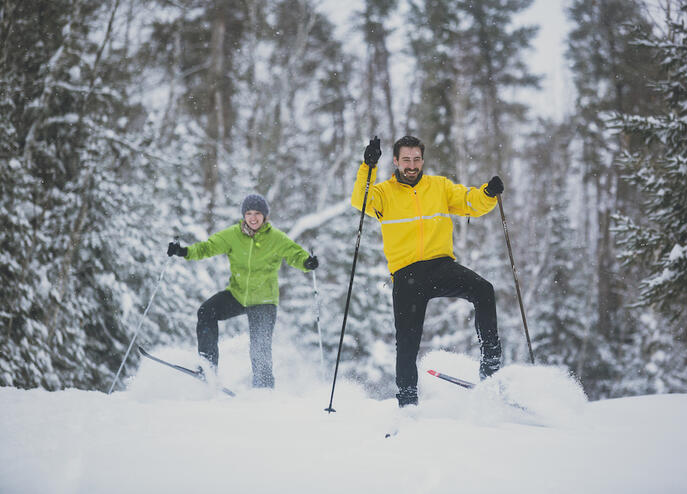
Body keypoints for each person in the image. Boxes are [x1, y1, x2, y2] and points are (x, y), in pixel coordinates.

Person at [351, 135, 504, 407]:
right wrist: (369, 166)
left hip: (441, 266)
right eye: (406, 160)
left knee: (484, 289)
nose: (412, 165)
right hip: (407, 274)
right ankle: (407, 401)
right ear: (396, 161)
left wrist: (488, 194)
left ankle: (491, 365)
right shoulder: (384, 193)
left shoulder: (439, 187)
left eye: (417, 159)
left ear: (422, 160)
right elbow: (359, 200)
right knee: (407, 342)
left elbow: (470, 201)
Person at [167, 193, 319, 388]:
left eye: (257, 213)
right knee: (206, 312)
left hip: (264, 300)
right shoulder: (232, 235)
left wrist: (307, 262)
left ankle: (263, 387)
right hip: (237, 295)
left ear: (265, 216)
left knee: (260, 347)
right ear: (243, 215)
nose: (253, 218)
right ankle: (207, 368)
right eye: (248, 213)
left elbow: (295, 254)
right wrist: (183, 251)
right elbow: (207, 248)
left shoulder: (276, 238)